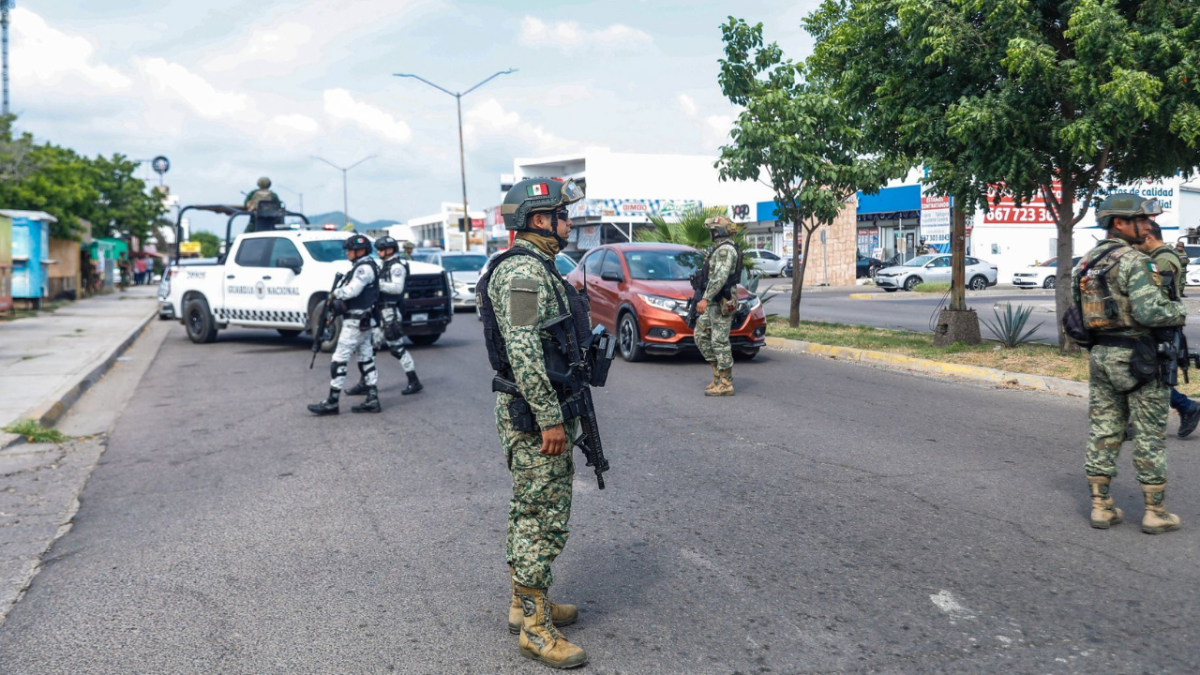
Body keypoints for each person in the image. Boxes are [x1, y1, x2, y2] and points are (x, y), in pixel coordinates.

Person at [478, 177, 589, 669]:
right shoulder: (523, 273)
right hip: (533, 412)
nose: (570, 223)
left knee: (531, 508)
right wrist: (549, 417)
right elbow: (524, 353)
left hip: (543, 405)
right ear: (540, 220)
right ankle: (536, 630)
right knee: (541, 517)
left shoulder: (540, 267)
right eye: (563, 214)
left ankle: (525, 605)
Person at [1072, 193, 1185, 535]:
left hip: (1101, 355)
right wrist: (1180, 311)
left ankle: (1101, 507)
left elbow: (1077, 316)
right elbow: (1151, 312)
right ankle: (1155, 512)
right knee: (1149, 434)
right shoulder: (1136, 261)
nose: (1148, 225)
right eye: (1142, 219)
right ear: (1119, 223)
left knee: (1104, 429)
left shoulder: (1087, 262)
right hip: (1139, 358)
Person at [1136, 220, 1200, 438]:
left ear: (1148, 237)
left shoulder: (1163, 258)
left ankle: (1185, 406)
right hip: (1156, 322)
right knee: (1146, 374)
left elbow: (1155, 293)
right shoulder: (1156, 258)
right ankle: (1185, 406)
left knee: (1150, 374)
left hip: (1160, 324)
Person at [307, 234, 381, 416]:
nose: (347, 253)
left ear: (361, 250)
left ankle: (332, 402)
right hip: (363, 320)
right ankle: (372, 398)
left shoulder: (363, 269)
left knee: (339, 359)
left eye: (350, 250)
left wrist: (334, 294)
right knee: (366, 359)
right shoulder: (365, 266)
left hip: (355, 322)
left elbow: (352, 290)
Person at [343, 236, 424, 397]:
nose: (379, 252)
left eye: (381, 249)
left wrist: (376, 284)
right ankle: (365, 382)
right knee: (369, 349)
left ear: (390, 250)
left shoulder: (396, 267)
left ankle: (414, 381)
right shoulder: (385, 265)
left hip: (390, 312)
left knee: (396, 348)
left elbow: (397, 288)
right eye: (378, 249)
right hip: (380, 311)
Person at [694, 215, 744, 396]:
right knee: (700, 334)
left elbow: (720, 277)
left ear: (719, 231)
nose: (711, 233)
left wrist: (705, 298)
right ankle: (717, 375)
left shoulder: (725, 250)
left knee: (720, 341)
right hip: (714, 301)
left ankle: (725, 382)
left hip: (722, 302)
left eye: (713, 230)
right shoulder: (718, 249)